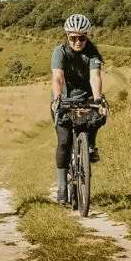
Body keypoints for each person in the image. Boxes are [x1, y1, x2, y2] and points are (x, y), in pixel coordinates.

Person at [50, 14, 106, 203]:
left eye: (82, 37)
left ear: (86, 36)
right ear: (67, 36)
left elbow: (95, 76)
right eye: (73, 38)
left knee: (97, 115)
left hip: (86, 96)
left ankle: (90, 145)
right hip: (63, 97)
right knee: (64, 141)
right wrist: (58, 98)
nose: (78, 41)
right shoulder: (60, 52)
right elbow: (57, 77)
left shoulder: (92, 52)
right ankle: (61, 187)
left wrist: (97, 99)